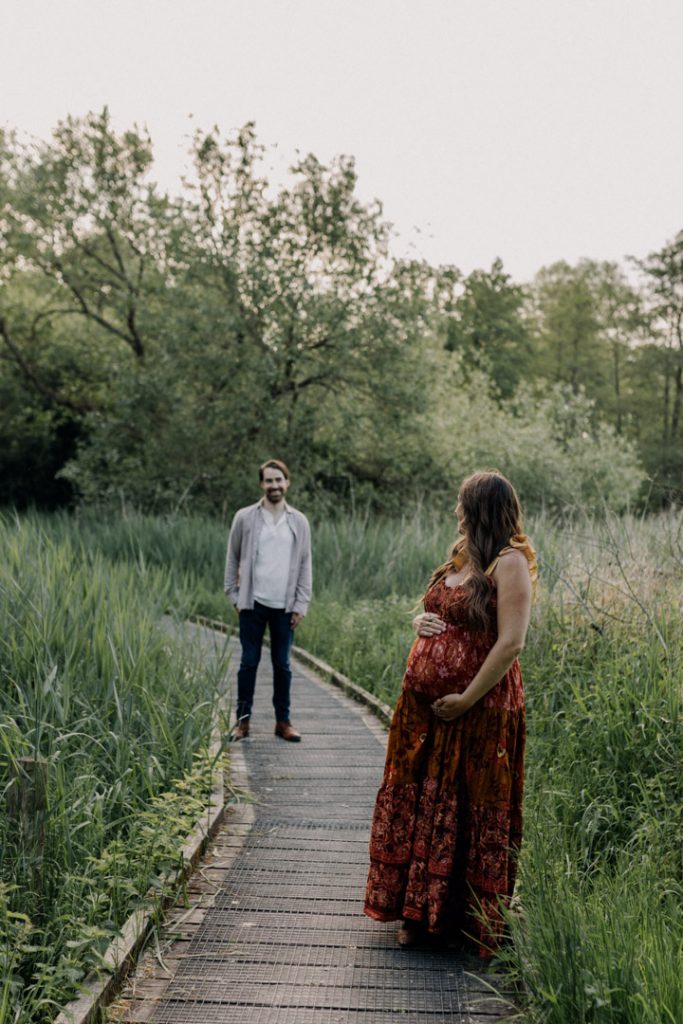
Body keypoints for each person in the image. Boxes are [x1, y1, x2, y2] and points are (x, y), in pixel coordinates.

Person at [363, 470, 536, 958]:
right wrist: (420, 620)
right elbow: (438, 611)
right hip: (423, 716)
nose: (455, 510)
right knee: (424, 802)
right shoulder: (463, 556)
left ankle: (454, 918)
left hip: (480, 712)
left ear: (480, 508)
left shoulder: (511, 562)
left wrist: (466, 700)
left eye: (462, 503)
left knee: (465, 806)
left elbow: (511, 643)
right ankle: (417, 912)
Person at [224, 459, 312, 742]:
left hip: (285, 607)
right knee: (248, 663)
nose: (274, 485)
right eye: (269, 481)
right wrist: (234, 596)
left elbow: (306, 564)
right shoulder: (245, 518)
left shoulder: (298, 521)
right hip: (252, 604)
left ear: (287, 483)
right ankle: (243, 722)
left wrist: (301, 604)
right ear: (262, 484)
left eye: (279, 480)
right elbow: (232, 557)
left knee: (283, 665)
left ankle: (283, 722)